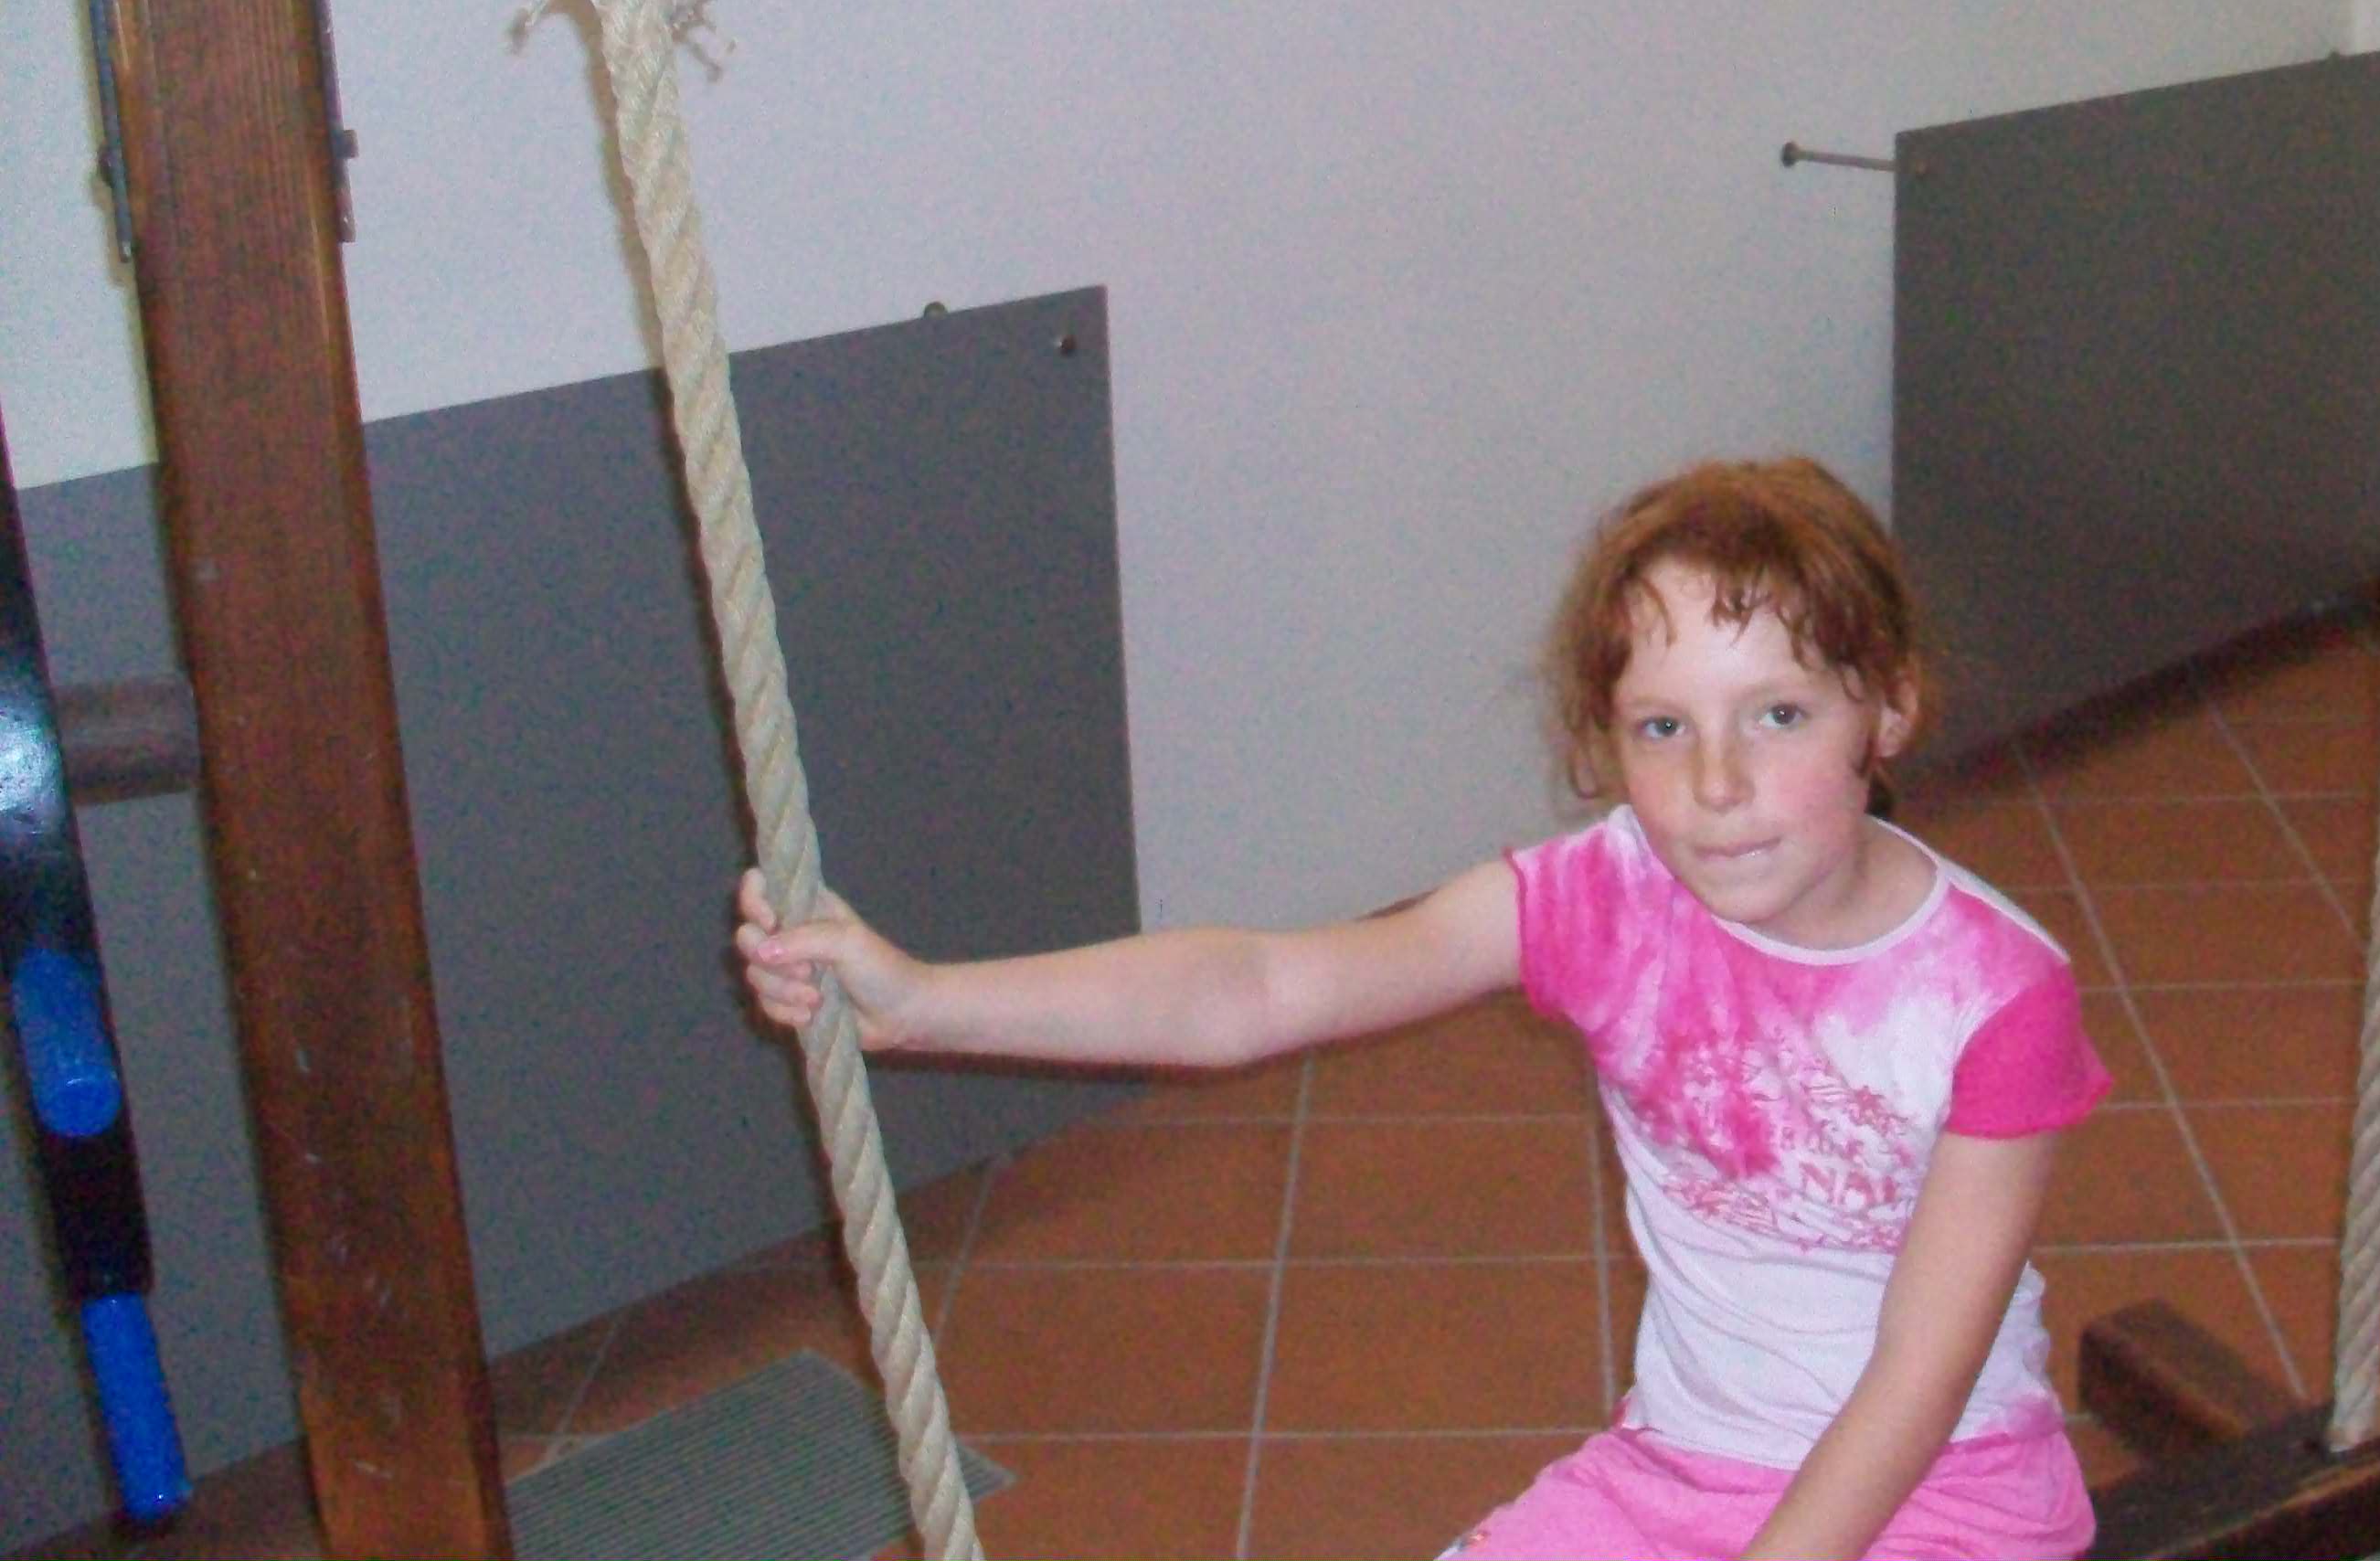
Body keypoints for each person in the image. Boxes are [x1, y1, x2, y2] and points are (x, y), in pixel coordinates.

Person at [736, 456, 2109, 1561]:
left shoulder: (1993, 996)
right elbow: (1261, 986)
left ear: (1889, 709)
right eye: (1664, 726)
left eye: (1780, 715)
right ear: (1606, 741)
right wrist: (925, 1002)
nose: (1718, 783)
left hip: (1943, 1491)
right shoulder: (1606, 901)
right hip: (1683, 1470)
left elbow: (1918, 1380)